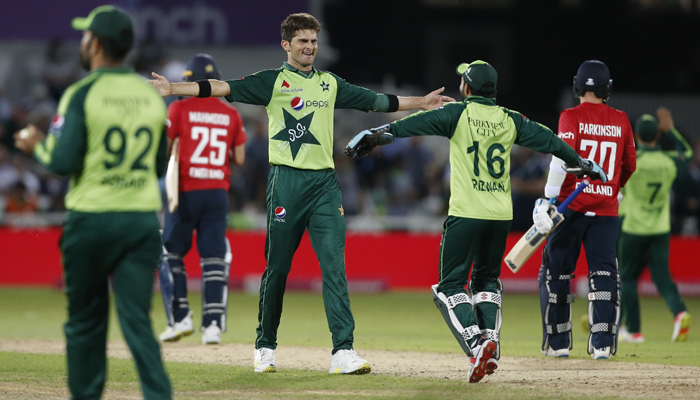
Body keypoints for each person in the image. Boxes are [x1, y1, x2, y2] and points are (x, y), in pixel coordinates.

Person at [147, 12, 454, 374]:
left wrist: (421, 102)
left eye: (313, 41)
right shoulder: (271, 82)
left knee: (334, 267)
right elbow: (220, 87)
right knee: (277, 268)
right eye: (303, 41)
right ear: (286, 45)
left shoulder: (330, 83)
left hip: (324, 185)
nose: (310, 47)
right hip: (287, 183)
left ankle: (343, 351)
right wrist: (173, 90)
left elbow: (376, 100)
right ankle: (264, 345)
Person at [344, 60, 607, 383]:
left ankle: (475, 342)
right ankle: (490, 343)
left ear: (466, 88)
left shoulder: (458, 114)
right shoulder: (510, 119)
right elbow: (548, 140)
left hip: (466, 213)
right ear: (493, 91)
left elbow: (417, 124)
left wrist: (379, 134)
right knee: (486, 283)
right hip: (499, 215)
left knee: (449, 287)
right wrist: (581, 163)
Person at [14, 6, 171, 399]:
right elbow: (159, 162)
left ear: (97, 44)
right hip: (140, 221)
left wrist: (36, 146)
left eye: (86, 37)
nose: (82, 42)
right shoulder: (150, 97)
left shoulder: (81, 93)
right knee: (137, 322)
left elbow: (61, 162)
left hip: (92, 220)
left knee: (86, 324)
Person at [536, 60, 636, 360]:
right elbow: (629, 165)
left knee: (557, 275)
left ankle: (558, 344)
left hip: (570, 207)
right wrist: (613, 190)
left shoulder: (570, 116)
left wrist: (548, 199)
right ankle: (602, 345)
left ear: (576, 86)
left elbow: (559, 159)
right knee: (604, 275)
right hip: (606, 210)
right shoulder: (621, 119)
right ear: (608, 89)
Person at [158, 54, 247, 345]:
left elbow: (166, 149)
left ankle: (181, 316)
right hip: (217, 192)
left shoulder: (179, 108)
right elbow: (240, 158)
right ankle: (212, 327)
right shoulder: (231, 114)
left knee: (172, 252)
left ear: (186, 80)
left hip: (185, 191)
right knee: (214, 259)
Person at [618, 109, 691, 343]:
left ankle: (634, 331)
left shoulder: (631, 162)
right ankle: (679, 312)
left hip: (633, 228)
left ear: (637, 136)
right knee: (662, 277)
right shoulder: (668, 161)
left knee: (628, 278)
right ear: (657, 136)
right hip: (660, 228)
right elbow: (687, 154)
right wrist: (671, 131)